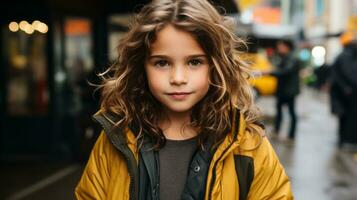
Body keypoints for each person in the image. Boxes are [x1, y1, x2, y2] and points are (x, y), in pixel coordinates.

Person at [75, 0, 293, 199]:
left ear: (216, 66)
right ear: (142, 67)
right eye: (162, 63)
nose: (178, 78)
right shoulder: (116, 138)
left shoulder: (248, 145)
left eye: (194, 62)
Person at [266, 39, 300, 143]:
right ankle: (276, 131)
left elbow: (285, 71)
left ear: (286, 47)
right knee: (279, 111)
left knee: (291, 112)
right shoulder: (285, 57)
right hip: (283, 90)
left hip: (289, 91)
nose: (278, 48)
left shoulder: (292, 58)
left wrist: (270, 72)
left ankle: (291, 136)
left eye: (280, 46)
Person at [330, 31, 357, 148]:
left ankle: (344, 140)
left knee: (344, 118)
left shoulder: (343, 55)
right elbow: (350, 75)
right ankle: (346, 141)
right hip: (346, 95)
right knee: (347, 119)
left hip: (344, 94)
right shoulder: (347, 56)